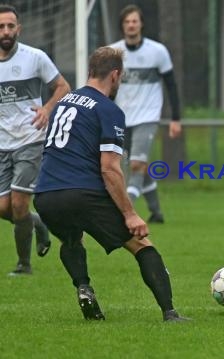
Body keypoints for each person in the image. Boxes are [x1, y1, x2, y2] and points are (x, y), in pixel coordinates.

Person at [33, 46, 188, 322]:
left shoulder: (63, 103)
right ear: (115, 75)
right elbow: (110, 169)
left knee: (71, 239)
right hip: (81, 194)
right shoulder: (109, 110)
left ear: (91, 71)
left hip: (45, 195)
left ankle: (83, 287)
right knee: (142, 244)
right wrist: (130, 214)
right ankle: (170, 313)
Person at [0, 4, 70, 275]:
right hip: (2, 144)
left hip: (30, 139)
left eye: (10, 26)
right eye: (1, 26)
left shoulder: (35, 57)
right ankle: (39, 224)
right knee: (4, 208)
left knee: (19, 205)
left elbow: (63, 86)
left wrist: (47, 109)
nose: (6, 31)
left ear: (19, 28)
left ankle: (23, 265)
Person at [109, 4, 182, 224]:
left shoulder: (157, 51)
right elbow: (106, 87)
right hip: (122, 119)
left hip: (147, 118)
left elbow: (171, 85)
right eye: (127, 22)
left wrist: (176, 118)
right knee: (139, 165)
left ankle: (125, 209)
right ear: (122, 26)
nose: (131, 25)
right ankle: (156, 212)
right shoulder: (113, 53)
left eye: (135, 21)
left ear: (141, 24)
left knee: (136, 166)